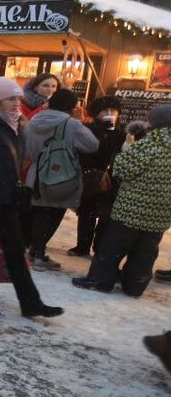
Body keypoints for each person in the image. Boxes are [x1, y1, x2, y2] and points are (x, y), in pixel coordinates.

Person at [0, 77, 63, 317]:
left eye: (18, 98)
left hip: (5, 199)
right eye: (10, 99)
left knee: (15, 251)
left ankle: (31, 303)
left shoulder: (15, 125)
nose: (16, 103)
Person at [72, 105, 171, 297]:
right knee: (146, 251)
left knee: (112, 247)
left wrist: (125, 152)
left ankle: (99, 280)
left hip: (132, 209)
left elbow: (124, 170)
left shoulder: (150, 144)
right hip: (161, 213)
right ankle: (135, 285)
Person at [20, 88, 99, 268]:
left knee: (39, 212)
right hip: (60, 174)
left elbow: (25, 148)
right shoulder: (71, 124)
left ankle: (34, 250)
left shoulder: (33, 121)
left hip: (35, 174)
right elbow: (92, 145)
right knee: (54, 213)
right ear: (71, 106)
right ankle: (38, 252)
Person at [70, 95, 126, 256]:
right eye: (105, 111)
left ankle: (99, 246)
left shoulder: (123, 133)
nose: (110, 113)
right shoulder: (88, 129)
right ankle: (83, 245)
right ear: (96, 114)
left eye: (113, 110)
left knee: (106, 215)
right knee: (86, 212)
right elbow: (85, 152)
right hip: (91, 175)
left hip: (112, 179)